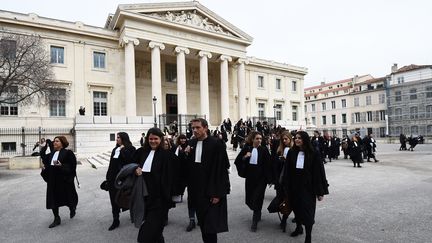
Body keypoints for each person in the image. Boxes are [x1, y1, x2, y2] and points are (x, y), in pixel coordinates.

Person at [185, 118, 230, 243]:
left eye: (198, 127)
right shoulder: (192, 143)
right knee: (203, 224)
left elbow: (221, 170)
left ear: (205, 128)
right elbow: (190, 168)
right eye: (193, 128)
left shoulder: (216, 144)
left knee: (210, 226)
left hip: (211, 191)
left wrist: (217, 193)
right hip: (197, 191)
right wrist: (186, 154)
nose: (195, 130)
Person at [133, 128, 180, 243]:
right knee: (157, 233)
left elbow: (177, 173)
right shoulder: (141, 152)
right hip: (144, 198)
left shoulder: (167, 155)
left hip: (160, 200)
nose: (153, 141)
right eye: (150, 139)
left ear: (161, 139)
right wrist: (135, 170)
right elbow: (131, 165)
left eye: (156, 139)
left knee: (145, 237)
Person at [282, 131, 329, 243]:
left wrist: (320, 191)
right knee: (297, 209)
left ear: (305, 140)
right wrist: (285, 186)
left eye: (300, 138)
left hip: (308, 188)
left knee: (308, 212)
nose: (297, 140)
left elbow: (319, 173)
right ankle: (299, 228)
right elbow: (287, 171)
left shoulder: (314, 153)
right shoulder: (292, 152)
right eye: (296, 138)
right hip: (294, 187)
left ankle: (308, 237)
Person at [234, 131, 272, 232]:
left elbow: (268, 166)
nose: (259, 140)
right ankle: (257, 212)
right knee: (250, 199)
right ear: (252, 139)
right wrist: (245, 157)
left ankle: (254, 221)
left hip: (261, 180)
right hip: (250, 179)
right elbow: (237, 161)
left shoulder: (264, 150)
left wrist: (269, 179)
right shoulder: (247, 149)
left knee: (257, 198)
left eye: (260, 138)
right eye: (257, 138)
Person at [41, 136, 78, 228]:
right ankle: (56, 218)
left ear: (62, 143)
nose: (54, 143)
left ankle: (72, 208)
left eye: (57, 141)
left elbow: (72, 166)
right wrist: (44, 147)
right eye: (54, 141)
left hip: (64, 180)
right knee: (53, 199)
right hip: (53, 180)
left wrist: (62, 166)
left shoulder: (68, 153)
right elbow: (45, 159)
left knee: (68, 197)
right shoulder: (52, 153)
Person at [106, 132, 136, 231]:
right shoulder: (115, 149)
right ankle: (116, 219)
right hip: (112, 178)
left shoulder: (130, 149)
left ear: (124, 138)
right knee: (113, 199)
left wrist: (123, 149)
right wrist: (108, 177)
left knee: (127, 197)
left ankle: (134, 215)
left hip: (123, 179)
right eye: (116, 137)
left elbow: (130, 160)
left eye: (118, 137)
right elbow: (112, 164)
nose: (117, 139)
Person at [274, 130, 293, 232]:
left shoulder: (294, 149)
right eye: (283, 139)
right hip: (281, 179)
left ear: (290, 139)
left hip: (290, 180)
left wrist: (288, 160)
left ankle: (285, 219)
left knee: (288, 200)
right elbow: (275, 165)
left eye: (286, 139)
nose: (284, 141)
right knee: (282, 200)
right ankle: (284, 218)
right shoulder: (280, 149)